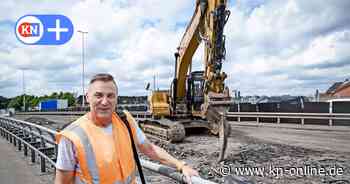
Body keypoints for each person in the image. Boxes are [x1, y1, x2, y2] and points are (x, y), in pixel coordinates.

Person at [55, 73, 199, 184]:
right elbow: (63, 181)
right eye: (98, 95)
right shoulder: (72, 136)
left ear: (117, 98)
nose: (104, 101)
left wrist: (181, 165)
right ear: (87, 97)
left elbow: (149, 149)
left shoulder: (124, 120)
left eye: (110, 96)